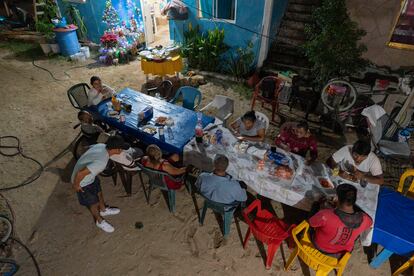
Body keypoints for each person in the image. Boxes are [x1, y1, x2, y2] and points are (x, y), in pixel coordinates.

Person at [71, 135, 129, 233]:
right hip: (83, 182)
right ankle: (99, 221)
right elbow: (80, 173)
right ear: (117, 150)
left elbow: (88, 150)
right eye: (121, 149)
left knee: (99, 192)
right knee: (93, 203)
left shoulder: (102, 146)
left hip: (91, 177)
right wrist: (77, 185)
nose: (122, 151)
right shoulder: (101, 162)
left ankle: (103, 210)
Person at [309, 184, 372, 257]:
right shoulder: (365, 219)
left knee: (312, 213)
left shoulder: (325, 215)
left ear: (337, 199)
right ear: (354, 200)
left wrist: (316, 204)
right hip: (342, 253)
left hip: (320, 247)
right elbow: (370, 222)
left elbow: (311, 223)